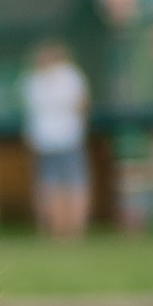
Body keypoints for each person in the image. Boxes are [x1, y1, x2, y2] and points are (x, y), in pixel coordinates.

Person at [19, 40, 92, 239]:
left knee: (51, 184)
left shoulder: (32, 80)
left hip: (48, 139)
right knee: (71, 183)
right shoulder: (70, 76)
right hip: (66, 137)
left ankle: (57, 229)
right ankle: (71, 229)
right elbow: (81, 104)